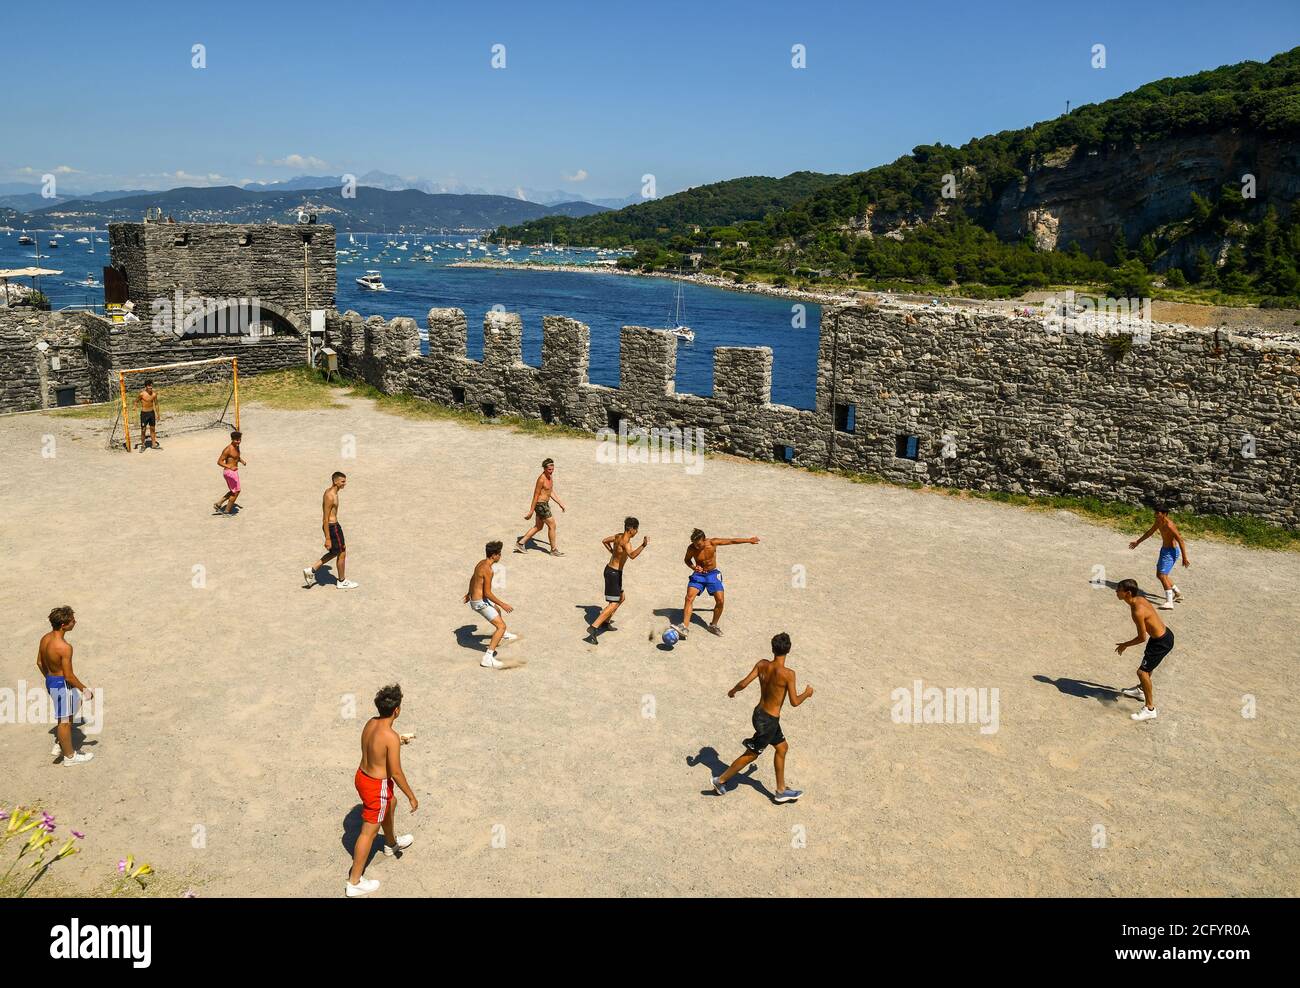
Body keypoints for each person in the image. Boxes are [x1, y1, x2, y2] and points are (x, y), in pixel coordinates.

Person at [712, 632, 812, 803]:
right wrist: (807, 693)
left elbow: (743, 683)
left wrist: (733, 691)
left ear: (772, 648)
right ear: (789, 650)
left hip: (759, 714)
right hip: (769, 722)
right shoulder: (789, 674)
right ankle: (720, 780)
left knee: (782, 748)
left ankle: (781, 789)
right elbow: (794, 702)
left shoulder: (762, 664)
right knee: (751, 754)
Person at [346, 684, 417, 897]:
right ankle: (354, 882)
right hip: (377, 786)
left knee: (391, 803)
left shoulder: (371, 723)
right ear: (397, 710)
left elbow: (375, 749)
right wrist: (412, 796)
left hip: (362, 777)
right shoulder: (390, 737)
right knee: (368, 831)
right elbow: (395, 772)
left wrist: (397, 742)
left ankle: (390, 843)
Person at [674, 529, 760, 638]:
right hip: (698, 575)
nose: (696, 546)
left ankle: (713, 625)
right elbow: (687, 560)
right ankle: (684, 627)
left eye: (699, 544)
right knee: (689, 598)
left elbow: (731, 541)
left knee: (720, 600)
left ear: (704, 540)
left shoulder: (713, 543)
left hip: (712, 574)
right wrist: (694, 567)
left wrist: (748, 540)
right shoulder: (691, 548)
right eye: (695, 544)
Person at [36, 606, 94, 765]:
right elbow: (69, 675)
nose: (75, 622)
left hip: (51, 680)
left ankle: (61, 741)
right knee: (65, 721)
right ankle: (70, 756)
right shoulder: (64, 647)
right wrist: (85, 689)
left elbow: (39, 662)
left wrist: (50, 679)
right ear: (64, 625)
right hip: (62, 684)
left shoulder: (45, 638)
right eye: (72, 620)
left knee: (76, 703)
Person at [1114, 578, 1174, 722]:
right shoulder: (1139, 599)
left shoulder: (1137, 610)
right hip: (1161, 637)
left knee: (1142, 672)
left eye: (1118, 590)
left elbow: (1142, 637)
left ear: (1127, 593)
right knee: (1147, 667)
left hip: (1161, 642)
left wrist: (1125, 644)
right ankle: (1141, 690)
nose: (1116, 592)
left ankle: (1150, 709)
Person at [585, 517, 648, 645]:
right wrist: (643, 545)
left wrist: (612, 552)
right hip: (613, 574)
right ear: (631, 529)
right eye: (636, 529)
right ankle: (593, 628)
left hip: (611, 571)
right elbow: (632, 556)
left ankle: (606, 622)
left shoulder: (618, 536)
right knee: (613, 604)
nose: (637, 532)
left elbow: (604, 541)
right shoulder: (626, 543)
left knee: (621, 598)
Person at [464, 541, 516, 669]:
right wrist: (504, 604)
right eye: (499, 554)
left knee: (496, 609)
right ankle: (488, 658)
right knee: (501, 626)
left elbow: (473, 578)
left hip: (479, 598)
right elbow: (487, 592)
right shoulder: (488, 570)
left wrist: (469, 593)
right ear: (494, 555)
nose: (500, 556)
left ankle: (502, 635)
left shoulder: (481, 563)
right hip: (479, 603)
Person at [1128, 505, 1190, 609]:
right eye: (1155, 513)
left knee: (1162, 575)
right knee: (1160, 574)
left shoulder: (1170, 525)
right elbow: (1149, 532)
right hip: (1164, 550)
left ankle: (1169, 602)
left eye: (1158, 513)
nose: (1155, 515)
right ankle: (1177, 593)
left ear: (1164, 514)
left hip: (1171, 552)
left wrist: (1184, 557)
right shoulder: (1158, 522)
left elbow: (1180, 540)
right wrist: (1137, 542)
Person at [304, 472, 357, 589]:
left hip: (333, 527)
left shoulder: (331, 492)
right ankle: (342, 581)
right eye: (342, 481)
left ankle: (311, 570)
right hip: (332, 527)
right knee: (342, 552)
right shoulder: (330, 496)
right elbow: (325, 518)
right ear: (335, 481)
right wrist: (327, 538)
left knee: (335, 552)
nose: (345, 484)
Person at [516, 458, 566, 556]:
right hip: (540, 505)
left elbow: (550, 491)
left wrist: (559, 502)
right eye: (549, 470)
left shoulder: (550, 477)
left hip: (545, 504)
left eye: (552, 469)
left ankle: (520, 543)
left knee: (538, 527)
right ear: (544, 469)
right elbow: (536, 495)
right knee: (552, 525)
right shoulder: (541, 479)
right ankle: (553, 550)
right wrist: (531, 511)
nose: (551, 471)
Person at [213, 431, 245, 515]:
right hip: (229, 472)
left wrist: (241, 461)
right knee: (236, 491)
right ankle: (227, 511)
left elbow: (236, 457)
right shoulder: (228, 449)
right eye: (236, 440)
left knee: (233, 490)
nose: (238, 442)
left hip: (233, 472)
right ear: (232, 439)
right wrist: (230, 466)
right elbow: (219, 462)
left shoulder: (237, 446)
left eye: (239, 440)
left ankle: (219, 503)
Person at [135, 381, 160, 451]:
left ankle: (154, 444)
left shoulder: (154, 394)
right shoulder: (142, 394)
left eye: (151, 386)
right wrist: (135, 407)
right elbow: (136, 401)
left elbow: (156, 404)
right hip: (144, 414)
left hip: (151, 413)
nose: (150, 387)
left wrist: (158, 414)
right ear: (146, 387)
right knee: (143, 430)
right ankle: (143, 445)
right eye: (149, 386)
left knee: (152, 429)